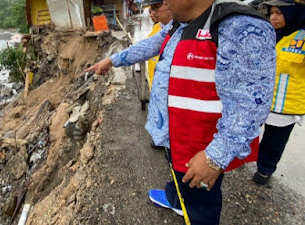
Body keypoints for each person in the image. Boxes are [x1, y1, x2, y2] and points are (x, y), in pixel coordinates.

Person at [86, 0, 276, 224]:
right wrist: (112, 60)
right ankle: (177, 199)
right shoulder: (179, 25)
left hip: (201, 148)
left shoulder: (238, 26)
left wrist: (215, 158)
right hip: (175, 137)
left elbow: (250, 103)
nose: (163, 2)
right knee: (182, 183)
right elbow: (151, 44)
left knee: (200, 205)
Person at [253, 0, 305, 186]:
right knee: (247, 131)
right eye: (271, 12)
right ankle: (240, 159)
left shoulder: (302, 38)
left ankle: (265, 170)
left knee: (274, 142)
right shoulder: (269, 34)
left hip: (286, 105)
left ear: (293, 13)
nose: (273, 17)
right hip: (260, 99)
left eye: (279, 13)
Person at [146, 0, 173, 92]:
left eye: (156, 8)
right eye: (150, 11)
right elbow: (144, 47)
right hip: (154, 85)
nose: (152, 14)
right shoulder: (156, 27)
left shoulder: (180, 30)